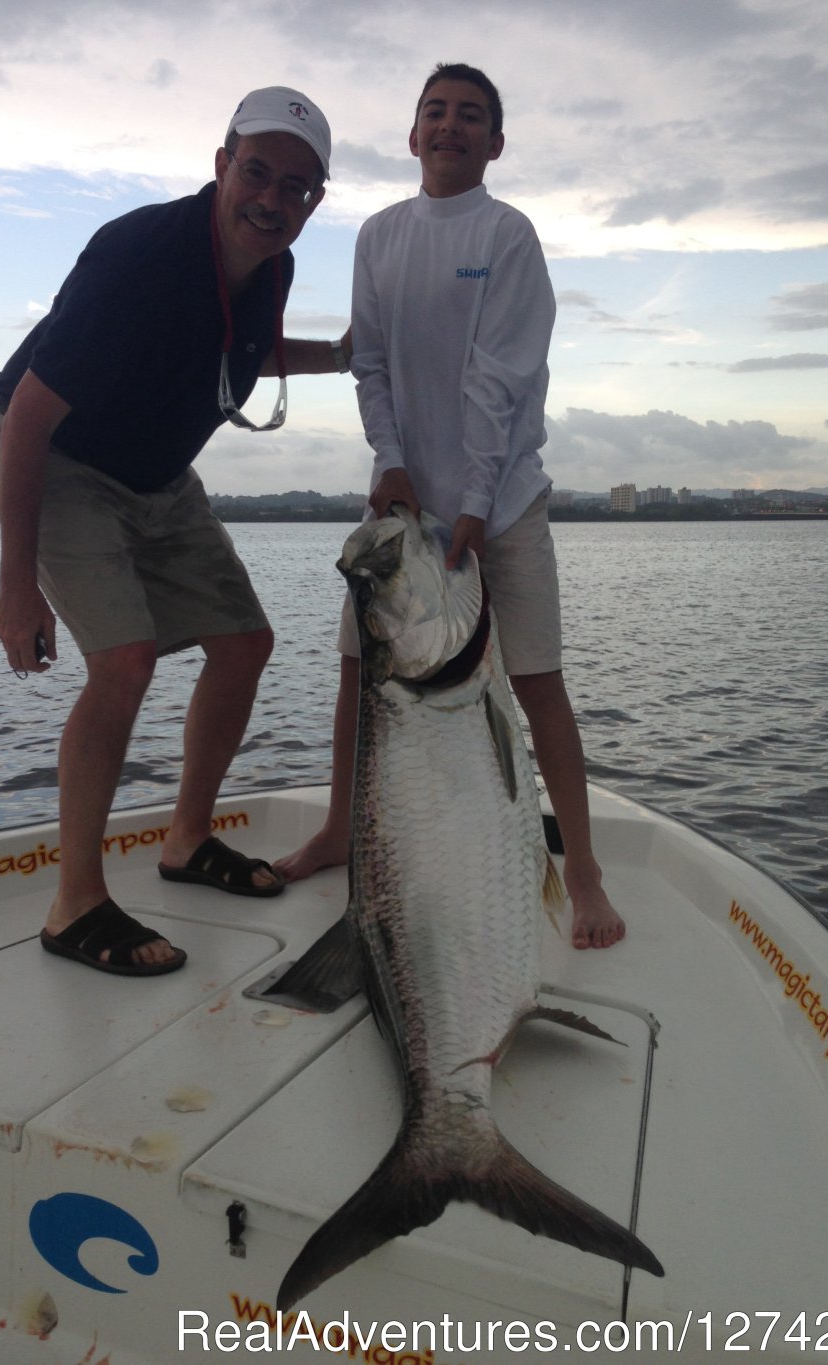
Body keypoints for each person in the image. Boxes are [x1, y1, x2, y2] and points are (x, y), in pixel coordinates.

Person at [0, 86, 353, 977]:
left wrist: (342, 355)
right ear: (221, 164)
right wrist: (15, 585)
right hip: (57, 457)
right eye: (257, 171)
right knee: (126, 660)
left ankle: (187, 840)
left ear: (315, 201)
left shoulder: (273, 264)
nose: (272, 198)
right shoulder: (140, 256)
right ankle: (74, 904)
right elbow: (29, 417)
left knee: (244, 642)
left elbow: (246, 347)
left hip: (155, 476)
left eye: (296, 186)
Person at [275, 64, 624, 950]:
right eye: (435, 111)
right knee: (361, 672)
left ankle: (580, 869)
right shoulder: (379, 236)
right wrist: (391, 463)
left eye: (471, 115)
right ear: (412, 134)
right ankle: (339, 829)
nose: (450, 125)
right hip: (403, 511)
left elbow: (498, 379)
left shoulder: (509, 236)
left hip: (502, 502)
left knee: (537, 680)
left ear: (495, 142)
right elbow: (373, 364)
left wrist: (471, 500)